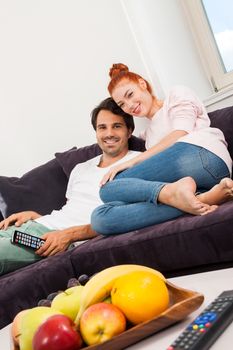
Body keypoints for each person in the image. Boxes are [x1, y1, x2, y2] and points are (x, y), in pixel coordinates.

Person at [0, 97, 142, 275]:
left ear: (129, 131)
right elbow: (73, 210)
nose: (109, 134)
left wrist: (69, 235)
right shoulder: (81, 168)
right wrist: (36, 217)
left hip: (52, 239)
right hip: (35, 227)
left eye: (117, 126)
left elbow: (125, 217)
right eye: (102, 127)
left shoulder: (138, 162)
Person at [91, 63, 233, 235]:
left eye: (130, 94)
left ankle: (175, 195)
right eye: (122, 104)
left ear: (142, 84)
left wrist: (131, 162)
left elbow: (181, 132)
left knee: (107, 189)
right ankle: (203, 198)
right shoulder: (148, 137)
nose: (129, 105)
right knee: (101, 219)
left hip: (205, 155)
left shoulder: (176, 95)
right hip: (204, 183)